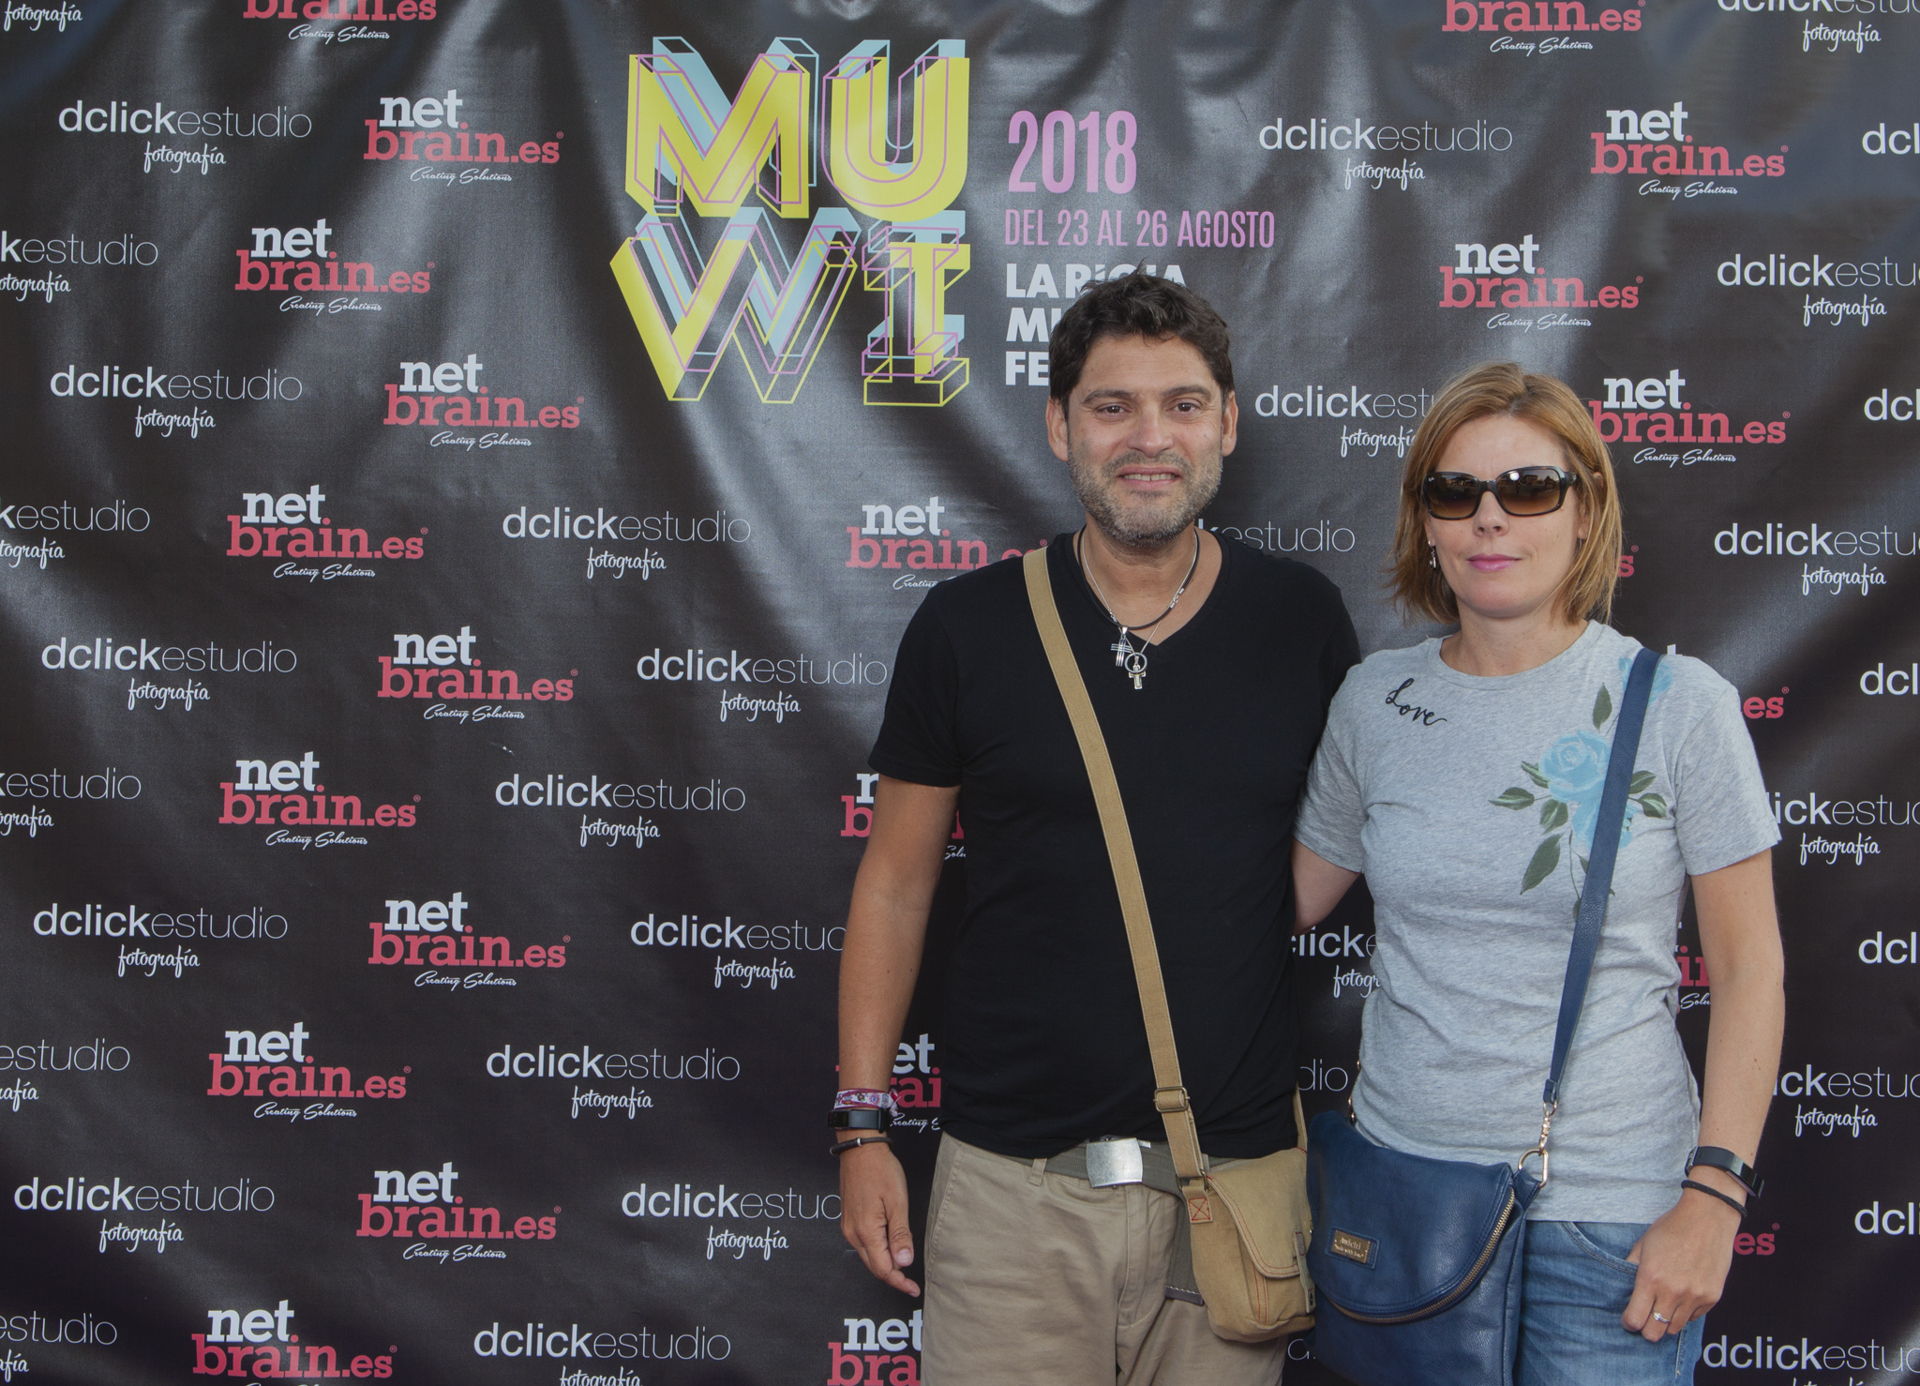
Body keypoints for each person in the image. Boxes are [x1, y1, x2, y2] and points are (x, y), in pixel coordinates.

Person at [834, 272, 1357, 1385]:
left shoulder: (1300, 621)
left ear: (1227, 421)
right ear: (1059, 426)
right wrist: (862, 1126)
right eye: (1112, 406)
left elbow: (1346, 850)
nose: (1148, 437)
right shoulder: (966, 628)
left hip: (1230, 1200)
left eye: (1182, 404)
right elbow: (895, 884)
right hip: (1011, 1200)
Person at [1291, 362, 1784, 1385]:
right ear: (1425, 522)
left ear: (1585, 510)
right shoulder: (1374, 703)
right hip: (1406, 1202)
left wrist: (1715, 1195)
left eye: (1528, 488)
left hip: (1612, 1224)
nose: (1490, 517)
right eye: (1456, 491)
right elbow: (1282, 903)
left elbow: (1750, 970)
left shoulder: (1679, 705)